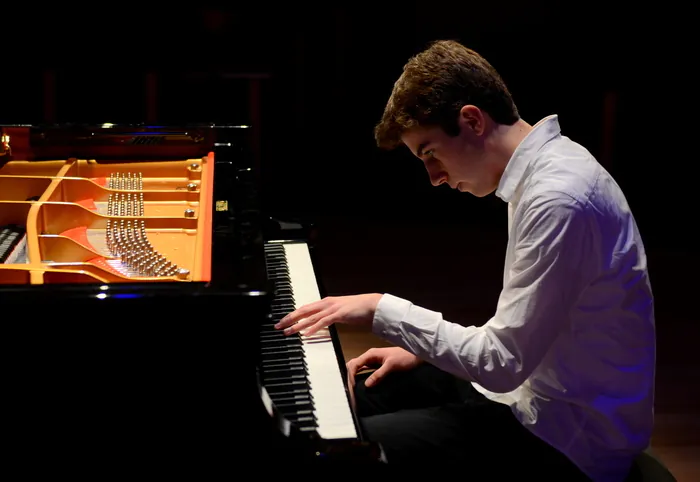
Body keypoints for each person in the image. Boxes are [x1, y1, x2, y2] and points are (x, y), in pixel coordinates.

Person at [275, 40, 655, 481]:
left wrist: (382, 308)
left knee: (347, 451)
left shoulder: (557, 198)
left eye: (429, 152)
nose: (434, 178)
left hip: (571, 438)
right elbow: (525, 336)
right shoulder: (548, 169)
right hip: (532, 391)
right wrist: (420, 351)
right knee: (360, 393)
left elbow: (502, 362)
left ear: (472, 120)